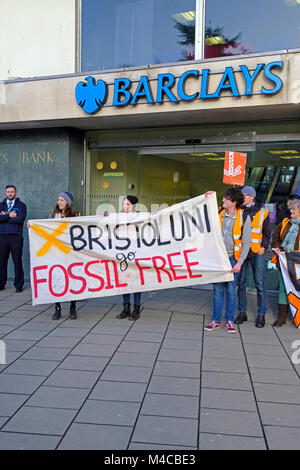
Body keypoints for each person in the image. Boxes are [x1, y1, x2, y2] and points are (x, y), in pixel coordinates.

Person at [204, 188, 251, 333]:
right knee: (218, 290)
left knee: (231, 291)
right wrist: (207, 196)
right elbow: (203, 209)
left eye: (226, 198)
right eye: (223, 197)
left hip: (232, 259)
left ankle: (229, 321)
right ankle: (216, 321)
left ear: (234, 202)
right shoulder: (218, 212)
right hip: (218, 258)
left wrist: (239, 263)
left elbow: (246, 243)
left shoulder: (244, 218)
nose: (223, 200)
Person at [27, 191, 78, 320]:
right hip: (55, 252)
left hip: (70, 253)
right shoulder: (53, 215)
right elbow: (45, 229)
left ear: (68, 202)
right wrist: (33, 226)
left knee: (72, 278)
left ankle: (73, 307)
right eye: (58, 199)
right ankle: (57, 308)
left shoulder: (76, 215)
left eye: (62, 200)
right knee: (57, 278)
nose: (59, 202)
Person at [235, 186, 271, 328]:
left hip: (256, 252)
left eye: (243, 195)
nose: (241, 197)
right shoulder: (238, 211)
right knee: (241, 285)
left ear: (251, 197)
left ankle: (261, 315)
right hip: (242, 253)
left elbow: (267, 232)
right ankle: (242, 313)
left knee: (260, 285)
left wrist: (264, 247)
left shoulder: (263, 213)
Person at [271, 198, 300, 326]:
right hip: (284, 262)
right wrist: (277, 247)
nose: (291, 210)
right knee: (283, 288)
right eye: (291, 208)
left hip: (298, 263)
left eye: (294, 209)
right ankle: (281, 317)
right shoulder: (284, 223)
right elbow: (276, 238)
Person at [117, 195, 142, 321]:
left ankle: (136, 309)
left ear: (133, 206)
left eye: (128, 204)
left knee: (136, 282)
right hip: (123, 254)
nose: (125, 206)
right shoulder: (118, 217)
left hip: (135, 254)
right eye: (124, 204)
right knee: (124, 280)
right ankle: (126, 307)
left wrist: (155, 214)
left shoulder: (139, 217)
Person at [0, 185, 27, 293]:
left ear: (15, 193)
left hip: (16, 237)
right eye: (8, 192)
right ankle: (1, 283)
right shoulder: (1, 205)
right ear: (6, 193)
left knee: (17, 261)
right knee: (2, 261)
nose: (10, 193)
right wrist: (9, 216)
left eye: (12, 192)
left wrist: (4, 217)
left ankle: (18, 285)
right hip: (2, 237)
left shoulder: (21, 206)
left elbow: (20, 219)